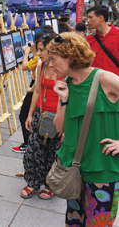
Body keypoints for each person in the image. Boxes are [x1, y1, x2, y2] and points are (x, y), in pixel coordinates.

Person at [49, 32, 119, 226]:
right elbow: (59, 127)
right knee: (74, 222)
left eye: (53, 60)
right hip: (75, 170)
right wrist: (63, 100)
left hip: (103, 170)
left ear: (70, 58)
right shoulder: (67, 84)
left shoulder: (104, 79)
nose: (50, 65)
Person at [21, 32, 62, 200]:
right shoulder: (41, 66)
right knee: (33, 150)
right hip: (40, 113)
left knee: (52, 153)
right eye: (37, 50)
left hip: (58, 117)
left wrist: (66, 126)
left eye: (41, 50)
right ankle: (32, 181)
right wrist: (30, 115)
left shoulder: (63, 68)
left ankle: (50, 185)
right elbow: (37, 90)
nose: (38, 54)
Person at [12, 29, 46, 154]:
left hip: (37, 86)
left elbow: (24, 67)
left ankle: (28, 144)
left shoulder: (40, 61)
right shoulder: (43, 60)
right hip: (36, 86)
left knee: (25, 115)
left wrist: (26, 53)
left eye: (40, 49)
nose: (39, 52)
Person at [86, 5, 119, 76]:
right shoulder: (88, 39)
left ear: (101, 18)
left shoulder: (117, 34)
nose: (87, 21)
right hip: (95, 83)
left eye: (90, 17)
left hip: (115, 83)